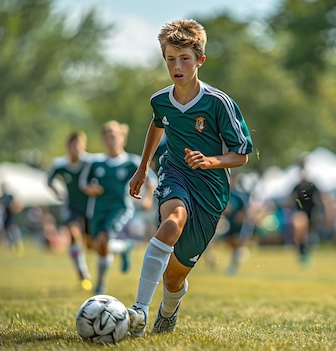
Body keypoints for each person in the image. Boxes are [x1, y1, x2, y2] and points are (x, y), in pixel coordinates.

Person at [126, 19, 253, 336]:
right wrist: (142, 168)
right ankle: (139, 311)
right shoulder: (160, 100)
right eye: (170, 59)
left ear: (200, 60)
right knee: (171, 223)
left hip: (211, 191)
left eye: (184, 58)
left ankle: (167, 313)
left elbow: (241, 154)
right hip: (175, 173)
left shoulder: (218, 103)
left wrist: (210, 160)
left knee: (174, 279)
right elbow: (158, 124)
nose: (177, 66)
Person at [81, 121, 156, 295]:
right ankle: (125, 247)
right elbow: (83, 183)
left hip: (120, 208)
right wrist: (90, 189)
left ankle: (100, 285)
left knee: (103, 238)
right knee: (96, 246)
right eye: (107, 136)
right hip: (98, 209)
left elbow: (151, 180)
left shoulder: (131, 162)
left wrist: (148, 199)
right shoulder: (96, 162)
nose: (111, 139)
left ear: (123, 139)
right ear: (103, 140)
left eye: (114, 135)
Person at [47, 131, 93, 291]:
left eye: (79, 144)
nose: (76, 148)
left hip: (90, 208)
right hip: (71, 207)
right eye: (72, 145)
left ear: (84, 146)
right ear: (68, 147)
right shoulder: (60, 165)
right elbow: (48, 181)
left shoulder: (91, 162)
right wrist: (58, 193)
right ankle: (83, 273)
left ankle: (124, 248)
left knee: (92, 245)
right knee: (73, 235)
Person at [289, 162, 324, 265]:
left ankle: (305, 253)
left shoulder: (312, 185)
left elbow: (321, 197)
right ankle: (302, 253)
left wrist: (323, 210)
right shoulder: (297, 186)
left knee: (308, 235)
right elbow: (291, 199)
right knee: (301, 233)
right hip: (300, 212)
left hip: (312, 213)